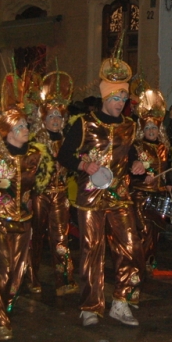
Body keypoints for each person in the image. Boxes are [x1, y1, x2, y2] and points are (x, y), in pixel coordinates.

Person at [56, 48, 146, 327]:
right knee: (92, 249)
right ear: (105, 96)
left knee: (130, 247)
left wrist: (139, 167)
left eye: (123, 97)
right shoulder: (84, 124)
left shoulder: (130, 127)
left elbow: (132, 156)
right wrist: (83, 166)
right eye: (115, 97)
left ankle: (121, 301)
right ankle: (91, 305)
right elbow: (64, 155)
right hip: (90, 198)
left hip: (120, 197)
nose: (120, 102)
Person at [0, 71, 53, 341]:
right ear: (7, 132)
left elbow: (40, 183)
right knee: (2, 273)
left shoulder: (35, 156)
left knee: (16, 276)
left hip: (24, 223)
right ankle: (3, 321)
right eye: (20, 128)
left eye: (26, 126)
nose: (26, 131)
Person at [27, 70, 78, 296]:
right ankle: (31, 277)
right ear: (44, 119)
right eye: (51, 118)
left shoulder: (67, 141)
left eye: (59, 117)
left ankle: (64, 279)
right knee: (36, 235)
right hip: (40, 194)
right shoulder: (36, 141)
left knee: (61, 236)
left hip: (61, 193)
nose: (56, 121)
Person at [131, 86, 172, 271]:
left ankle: (149, 260)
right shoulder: (136, 146)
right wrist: (143, 180)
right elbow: (130, 170)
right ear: (143, 129)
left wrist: (171, 184)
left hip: (159, 194)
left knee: (155, 231)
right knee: (143, 229)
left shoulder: (164, 148)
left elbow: (169, 169)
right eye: (148, 127)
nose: (151, 130)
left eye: (154, 127)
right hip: (141, 195)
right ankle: (138, 261)